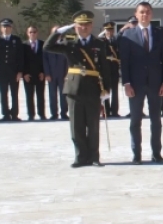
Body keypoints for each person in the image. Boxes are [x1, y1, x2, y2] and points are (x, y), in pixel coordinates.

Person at [45, 10, 113, 168]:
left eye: (87, 25)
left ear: (91, 26)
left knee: (93, 125)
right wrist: (59, 31)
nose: (84, 28)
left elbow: (105, 68)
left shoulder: (99, 44)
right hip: (74, 88)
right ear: (75, 27)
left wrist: (107, 89)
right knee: (77, 126)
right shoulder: (69, 43)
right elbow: (48, 47)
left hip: (93, 88)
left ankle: (94, 157)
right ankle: (80, 157)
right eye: (81, 25)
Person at [118, 2, 163, 164]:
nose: (145, 15)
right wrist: (126, 83)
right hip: (135, 84)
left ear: (152, 14)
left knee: (156, 120)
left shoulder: (159, 34)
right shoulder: (128, 35)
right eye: (141, 12)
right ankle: (137, 154)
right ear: (136, 14)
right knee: (135, 120)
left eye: (147, 12)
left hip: (156, 84)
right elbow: (124, 62)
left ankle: (156, 153)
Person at [0, 18, 24, 122]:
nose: (6, 29)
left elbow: (20, 56)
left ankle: (14, 114)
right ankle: (5, 114)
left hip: (14, 72)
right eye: (4, 27)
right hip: (2, 72)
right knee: (3, 94)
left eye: (8, 27)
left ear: (11, 28)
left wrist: (20, 71)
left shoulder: (16, 40)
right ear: (1, 28)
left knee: (14, 93)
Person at [43, 26, 70, 120]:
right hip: (51, 74)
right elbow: (45, 61)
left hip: (63, 74)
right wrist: (47, 73)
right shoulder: (47, 45)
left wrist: (67, 73)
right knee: (52, 95)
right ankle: (54, 114)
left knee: (64, 95)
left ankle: (64, 113)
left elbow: (68, 61)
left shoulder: (64, 44)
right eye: (54, 32)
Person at [23, 26, 47, 121]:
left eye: (34, 32)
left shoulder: (42, 44)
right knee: (29, 96)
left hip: (40, 74)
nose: (32, 33)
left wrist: (43, 72)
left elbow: (45, 59)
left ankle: (41, 114)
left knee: (40, 95)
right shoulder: (24, 45)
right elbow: (22, 60)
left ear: (37, 33)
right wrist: (25, 73)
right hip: (28, 75)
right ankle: (31, 115)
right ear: (27, 33)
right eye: (30, 32)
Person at [98, 22, 122, 118]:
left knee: (115, 91)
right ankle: (107, 111)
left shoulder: (116, 41)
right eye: (107, 30)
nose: (109, 32)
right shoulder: (101, 41)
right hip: (105, 68)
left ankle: (115, 111)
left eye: (111, 30)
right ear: (105, 31)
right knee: (106, 90)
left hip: (114, 67)